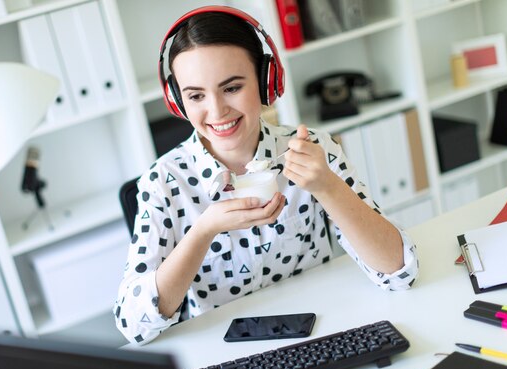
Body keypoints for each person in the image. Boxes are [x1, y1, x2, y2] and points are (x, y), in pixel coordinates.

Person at [114, 6, 419, 345]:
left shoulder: (314, 150)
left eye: (231, 88)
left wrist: (328, 187)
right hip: (224, 356)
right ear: (177, 101)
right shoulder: (162, 183)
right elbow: (133, 325)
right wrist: (203, 231)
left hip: (321, 333)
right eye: (196, 95)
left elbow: (399, 273)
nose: (216, 111)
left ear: (265, 81)